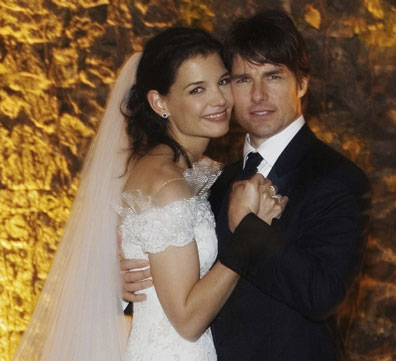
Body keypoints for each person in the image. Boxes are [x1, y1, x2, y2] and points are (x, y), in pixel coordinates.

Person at [13, 27, 286, 361]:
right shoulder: (167, 183)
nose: (220, 100)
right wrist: (250, 236)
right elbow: (187, 320)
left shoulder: (187, 170)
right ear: (160, 102)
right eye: (197, 89)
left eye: (224, 81)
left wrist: (117, 281)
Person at [123, 10, 371, 361]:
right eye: (240, 79)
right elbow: (180, 268)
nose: (257, 95)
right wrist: (129, 283)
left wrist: (250, 230)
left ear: (302, 83)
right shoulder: (213, 178)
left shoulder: (337, 179)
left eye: (273, 76)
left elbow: (322, 296)